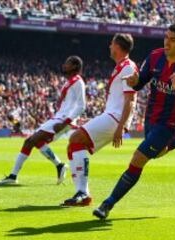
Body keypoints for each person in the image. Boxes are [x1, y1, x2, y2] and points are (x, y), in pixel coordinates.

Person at [93, 23, 175, 219]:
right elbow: (140, 83)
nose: (167, 42)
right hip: (151, 118)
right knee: (158, 153)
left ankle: (107, 204)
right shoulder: (155, 56)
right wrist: (134, 82)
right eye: (166, 37)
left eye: (173, 40)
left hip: (170, 124)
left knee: (138, 158)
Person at [61, 33, 138, 206]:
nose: (109, 47)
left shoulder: (128, 67)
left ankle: (83, 193)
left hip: (116, 118)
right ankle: (82, 193)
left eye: (111, 44)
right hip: (112, 116)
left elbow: (130, 100)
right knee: (75, 145)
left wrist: (121, 127)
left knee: (75, 139)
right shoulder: (121, 67)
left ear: (117, 46)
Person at [0, 56, 86, 185]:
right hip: (58, 118)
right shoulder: (69, 82)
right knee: (36, 141)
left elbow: (82, 106)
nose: (64, 65)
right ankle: (59, 166)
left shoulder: (78, 82)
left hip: (63, 121)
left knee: (30, 141)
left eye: (67, 63)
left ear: (75, 66)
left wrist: (65, 123)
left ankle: (13, 176)